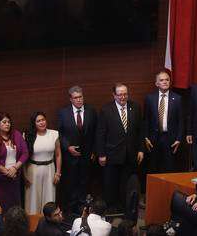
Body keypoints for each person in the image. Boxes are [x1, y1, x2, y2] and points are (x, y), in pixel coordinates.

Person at [97, 83, 144, 219]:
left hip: (130, 155)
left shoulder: (135, 107)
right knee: (111, 183)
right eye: (120, 94)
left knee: (126, 184)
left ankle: (125, 209)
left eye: (125, 94)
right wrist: (101, 154)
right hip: (112, 155)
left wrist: (141, 149)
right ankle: (111, 210)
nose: (123, 97)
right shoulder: (106, 110)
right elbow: (100, 134)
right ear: (114, 95)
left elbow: (140, 131)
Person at [58, 86, 97, 213]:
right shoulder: (63, 113)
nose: (79, 100)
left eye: (80, 97)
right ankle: (71, 207)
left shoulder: (91, 111)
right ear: (70, 99)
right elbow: (60, 133)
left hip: (87, 155)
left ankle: (81, 206)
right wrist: (67, 147)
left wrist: (94, 151)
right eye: (76, 98)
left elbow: (96, 132)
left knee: (84, 181)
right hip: (70, 156)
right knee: (71, 182)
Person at [0, 112, 28, 213]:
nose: (7, 124)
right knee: (4, 204)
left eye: (8, 122)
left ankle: (17, 224)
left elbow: (25, 153)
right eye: (4, 122)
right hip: (1, 179)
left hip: (15, 176)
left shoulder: (16, 134)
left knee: (16, 204)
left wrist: (15, 168)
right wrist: (6, 171)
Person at [144, 71, 183, 173]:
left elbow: (181, 121)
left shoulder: (178, 98)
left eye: (167, 79)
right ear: (156, 83)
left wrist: (179, 138)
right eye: (161, 80)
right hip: (153, 139)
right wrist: (146, 137)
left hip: (170, 139)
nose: (165, 82)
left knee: (169, 167)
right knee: (153, 167)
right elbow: (146, 119)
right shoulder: (149, 98)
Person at [24, 111, 62, 214]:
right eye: (38, 121)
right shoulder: (28, 135)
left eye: (43, 120)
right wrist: (24, 175)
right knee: (33, 199)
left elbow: (58, 154)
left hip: (50, 168)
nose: (41, 123)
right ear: (34, 123)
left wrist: (58, 173)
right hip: (33, 169)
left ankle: (49, 221)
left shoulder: (54, 134)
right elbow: (23, 157)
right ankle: (33, 223)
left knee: (49, 197)